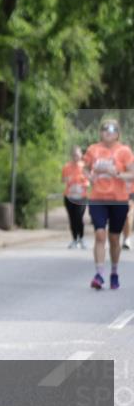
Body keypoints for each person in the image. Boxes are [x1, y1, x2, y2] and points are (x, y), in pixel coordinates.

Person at [82, 119, 134, 290]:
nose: (108, 132)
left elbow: (132, 174)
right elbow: (84, 167)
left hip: (118, 200)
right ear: (100, 132)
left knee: (114, 239)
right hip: (98, 198)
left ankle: (114, 272)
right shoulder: (93, 149)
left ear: (118, 133)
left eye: (112, 129)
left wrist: (117, 173)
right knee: (99, 235)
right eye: (105, 129)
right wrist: (89, 176)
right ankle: (99, 274)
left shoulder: (124, 151)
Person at [61, 145, 90, 249]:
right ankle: (74, 239)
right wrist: (68, 179)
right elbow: (63, 180)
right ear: (71, 156)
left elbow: (89, 180)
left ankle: (81, 238)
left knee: (79, 217)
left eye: (77, 155)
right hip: (69, 196)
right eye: (74, 155)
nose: (75, 157)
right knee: (72, 218)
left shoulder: (84, 167)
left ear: (81, 155)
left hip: (81, 196)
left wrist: (85, 183)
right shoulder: (66, 167)